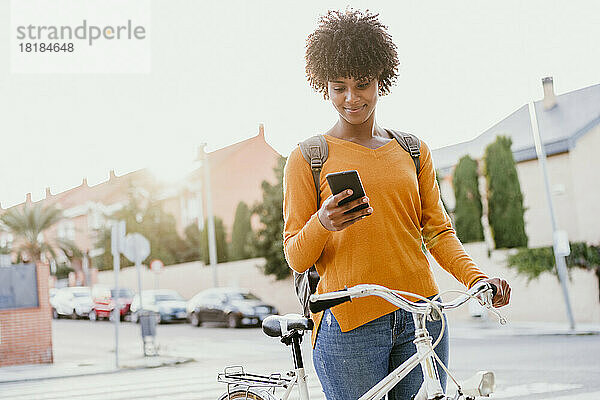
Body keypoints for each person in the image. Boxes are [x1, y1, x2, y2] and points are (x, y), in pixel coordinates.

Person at [282, 9, 511, 400]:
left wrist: (476, 280)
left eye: (362, 84)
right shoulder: (307, 158)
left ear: (381, 79)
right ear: (324, 87)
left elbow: (438, 232)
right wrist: (323, 222)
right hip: (350, 323)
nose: (351, 98)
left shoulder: (413, 151)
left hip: (422, 316)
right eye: (339, 87)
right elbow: (295, 256)